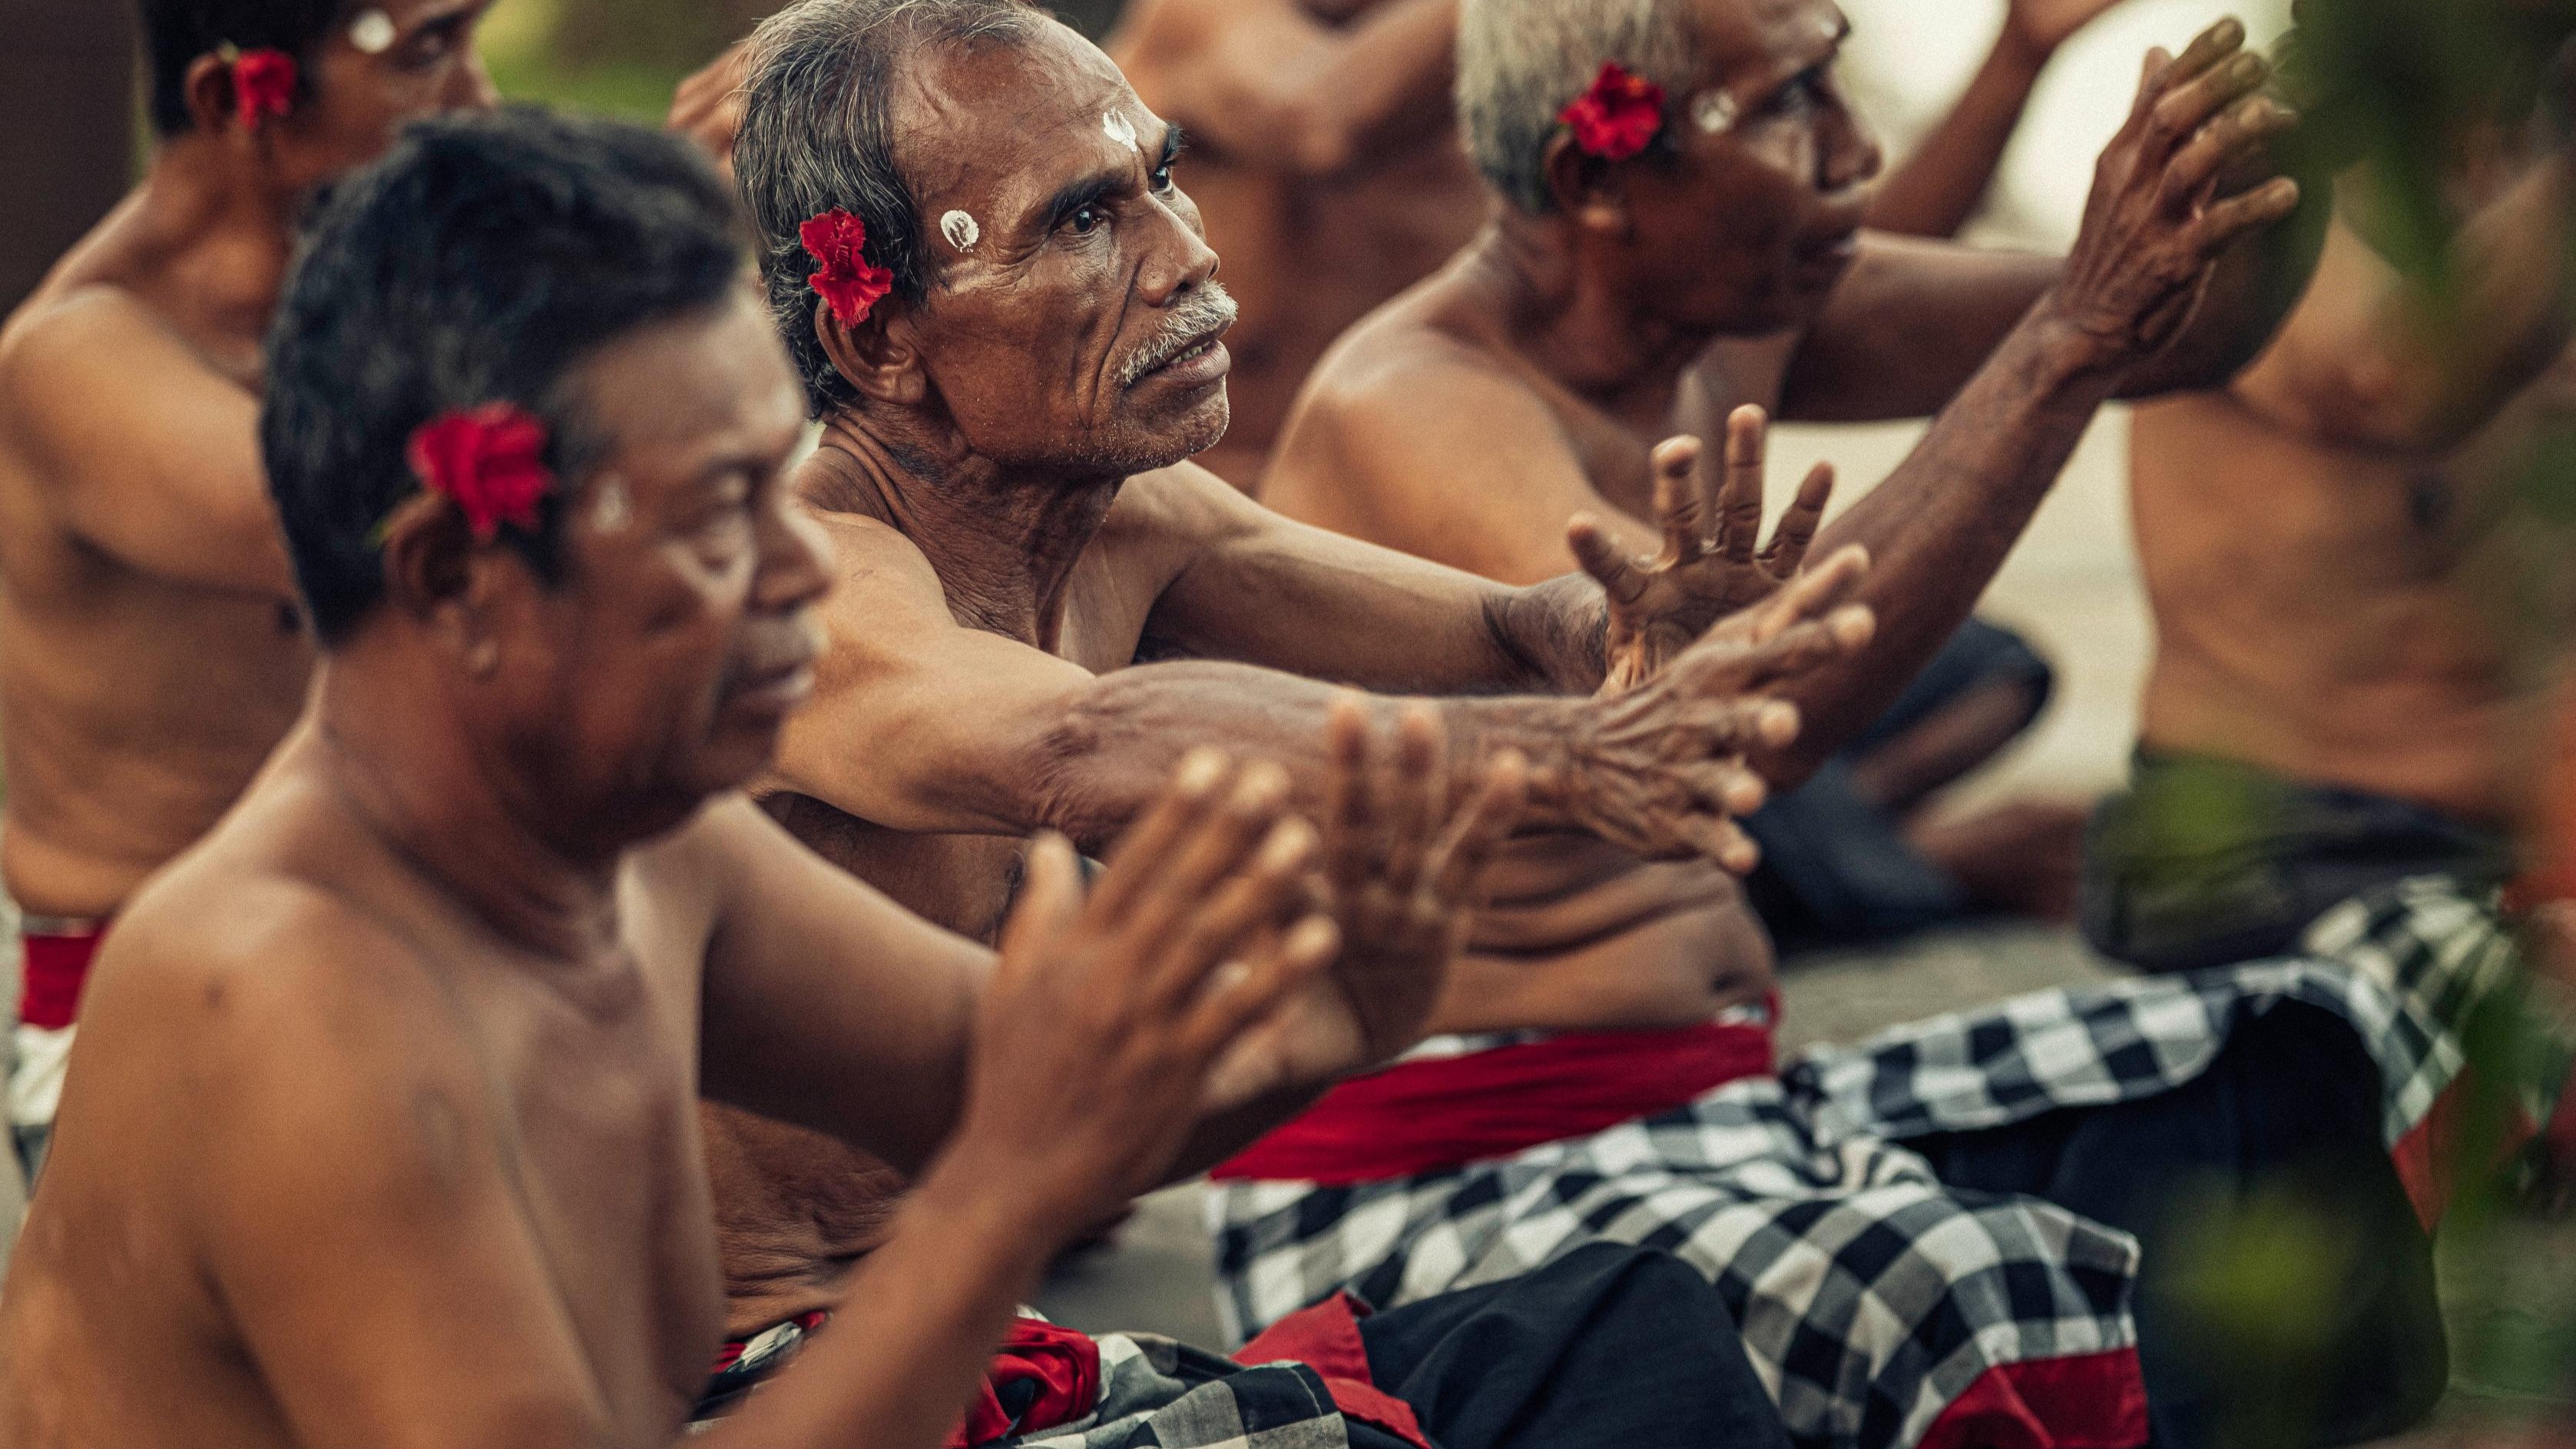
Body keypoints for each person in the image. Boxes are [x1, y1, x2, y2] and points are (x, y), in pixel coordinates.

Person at [718, 3, 2570, 1446]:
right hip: (808, 1377)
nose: (1186, 255)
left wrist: (1640, 641)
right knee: (1834, 1314)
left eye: (1163, 176)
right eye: (1084, 219)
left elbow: (1522, 639)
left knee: (2280, 1091)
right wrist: (1593, 742)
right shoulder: (812, 591)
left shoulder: (1129, 513)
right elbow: (1081, 742)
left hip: (1009, 1320)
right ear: (880, 339)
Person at [0, 106, 1803, 1449]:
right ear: (457, 577)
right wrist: (1006, 1205)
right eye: (722, 517)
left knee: (1614, 1342)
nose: (799, 568)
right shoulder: (303, 995)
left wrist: (1350, 1008)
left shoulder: (654, 858)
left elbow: (1035, 1087)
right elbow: (1024, 1134)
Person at [1249, 0, 2316, 949]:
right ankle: (1901, 868)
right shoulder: (1417, 404)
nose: (1854, 152)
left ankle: (1878, 866)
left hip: (1694, 1057)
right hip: (1463, 1118)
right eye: (1789, 102)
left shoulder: (1718, 318)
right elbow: (1744, 718)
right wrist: (2067, 340)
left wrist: (2343, 82)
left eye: (1835, 77)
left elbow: (2182, 324)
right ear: (1595, 176)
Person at [0, 0, 504, 1184]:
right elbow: (399, 531)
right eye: (427, 52)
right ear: (242, 105)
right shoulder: (73, 363)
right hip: (144, 1027)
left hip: (389, 966)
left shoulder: (372, 309)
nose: (477, 101)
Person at [1103, 0, 2134, 490]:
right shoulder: (1207, 26)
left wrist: (2016, 57)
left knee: (1989, 672)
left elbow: (1803, 254)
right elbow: (1325, 119)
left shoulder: (1582, 94)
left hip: (1563, 573)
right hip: (1265, 591)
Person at [2084, 23, 2576, 972]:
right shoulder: (2252, 167)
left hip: (2526, 841)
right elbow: (2397, 379)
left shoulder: (2537, 152)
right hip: (2283, 850)